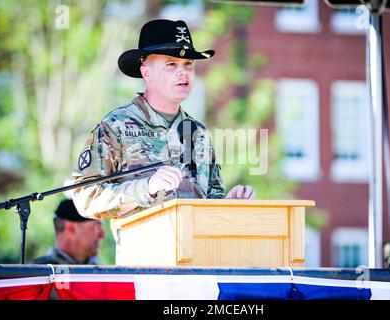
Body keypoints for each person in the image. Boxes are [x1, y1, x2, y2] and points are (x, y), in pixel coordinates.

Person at [72, 19, 255, 220]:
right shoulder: (117, 125)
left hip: (196, 248)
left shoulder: (198, 133)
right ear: (146, 72)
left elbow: (211, 197)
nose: (183, 72)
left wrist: (229, 203)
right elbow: (85, 197)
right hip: (143, 248)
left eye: (188, 64)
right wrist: (147, 187)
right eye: (171, 64)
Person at [29, 199, 105, 264]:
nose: (102, 234)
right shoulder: (33, 276)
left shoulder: (104, 274)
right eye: (96, 226)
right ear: (71, 227)